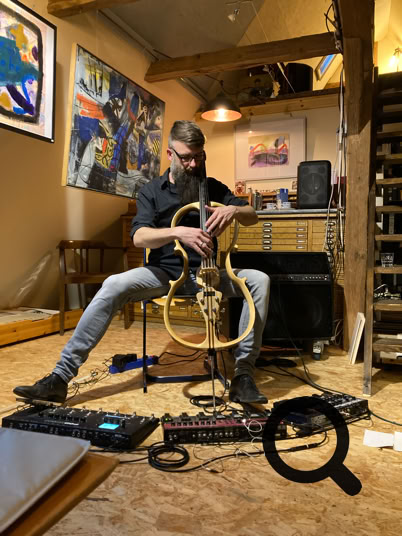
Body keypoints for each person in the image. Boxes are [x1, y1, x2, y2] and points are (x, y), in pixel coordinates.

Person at [13, 120, 270, 405]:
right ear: (170, 154)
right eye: (186, 158)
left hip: (208, 274)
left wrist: (234, 210)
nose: (194, 165)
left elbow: (252, 215)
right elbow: (139, 237)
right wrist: (177, 232)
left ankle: (243, 375)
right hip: (163, 275)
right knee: (113, 284)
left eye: (199, 157)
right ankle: (59, 378)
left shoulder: (212, 187)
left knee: (259, 280)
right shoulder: (151, 191)